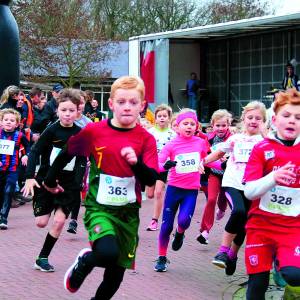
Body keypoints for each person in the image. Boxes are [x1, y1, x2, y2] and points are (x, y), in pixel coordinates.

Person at [42, 76, 159, 299]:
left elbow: (151, 179)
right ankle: (85, 261)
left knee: (116, 275)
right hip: (100, 208)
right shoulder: (95, 131)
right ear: (111, 103)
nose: (127, 107)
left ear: (142, 106)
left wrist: (136, 163)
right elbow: (67, 153)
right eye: (122, 101)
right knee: (106, 253)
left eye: (133, 103)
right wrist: (49, 180)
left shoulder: (146, 139)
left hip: (128, 213)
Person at [243, 89, 300, 300]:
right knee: (257, 284)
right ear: (275, 120)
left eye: (298, 117)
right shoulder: (261, 149)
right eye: (286, 116)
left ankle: (281, 260)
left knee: (294, 275)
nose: (292, 121)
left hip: (293, 228)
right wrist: (273, 179)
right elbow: (249, 192)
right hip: (261, 226)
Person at [22, 88, 86, 272]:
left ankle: (42, 258)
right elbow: (34, 151)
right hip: (45, 181)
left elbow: (82, 161)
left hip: (66, 185)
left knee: (58, 222)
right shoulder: (51, 130)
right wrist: (29, 177)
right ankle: (45, 207)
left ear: (77, 112)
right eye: (63, 110)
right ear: (57, 110)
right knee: (41, 222)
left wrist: (77, 184)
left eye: (71, 111)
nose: (67, 114)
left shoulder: (80, 134)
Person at [203, 101, 267, 276]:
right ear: (243, 119)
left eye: (258, 118)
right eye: (250, 117)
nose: (253, 121)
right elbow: (218, 153)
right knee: (238, 212)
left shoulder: (265, 141)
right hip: (232, 183)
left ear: (264, 121)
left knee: (245, 224)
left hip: (253, 187)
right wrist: (203, 162)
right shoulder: (235, 138)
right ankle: (223, 251)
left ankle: (233, 255)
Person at [154, 109, 209, 272]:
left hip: (190, 191)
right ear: (177, 127)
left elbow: (208, 160)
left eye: (192, 124)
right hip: (173, 189)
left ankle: (180, 233)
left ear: (196, 126)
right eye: (185, 124)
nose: (189, 126)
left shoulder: (200, 143)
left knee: (184, 221)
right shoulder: (171, 145)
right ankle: (162, 257)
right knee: (166, 226)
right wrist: (165, 166)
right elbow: (157, 164)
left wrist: (223, 165)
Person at [197, 109, 232, 245]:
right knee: (211, 199)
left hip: (229, 176)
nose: (221, 128)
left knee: (223, 202)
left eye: (224, 125)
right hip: (214, 175)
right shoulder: (209, 138)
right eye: (218, 125)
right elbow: (206, 154)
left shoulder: (233, 139)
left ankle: (222, 209)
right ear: (212, 125)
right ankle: (205, 231)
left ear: (228, 125)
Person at [146, 104, 176, 231]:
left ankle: (154, 220)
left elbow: (176, 150)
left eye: (165, 116)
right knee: (150, 194)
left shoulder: (173, 134)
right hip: (151, 166)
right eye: (159, 116)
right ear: (155, 118)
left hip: (164, 167)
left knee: (159, 192)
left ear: (169, 118)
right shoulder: (150, 132)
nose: (162, 118)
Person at [66, 90, 92, 234]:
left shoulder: (87, 123)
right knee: (68, 187)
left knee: (76, 187)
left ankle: (73, 220)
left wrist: (90, 157)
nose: (80, 106)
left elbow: (93, 142)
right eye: (77, 103)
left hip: (81, 159)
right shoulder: (64, 118)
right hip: (64, 159)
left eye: (82, 103)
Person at [0, 108, 30, 229]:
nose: (8, 122)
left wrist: (26, 155)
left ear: (17, 124)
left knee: (8, 191)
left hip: (12, 168)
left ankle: (4, 218)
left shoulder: (20, 135)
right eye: (6, 120)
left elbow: (28, 146)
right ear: (1, 122)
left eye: (12, 120)